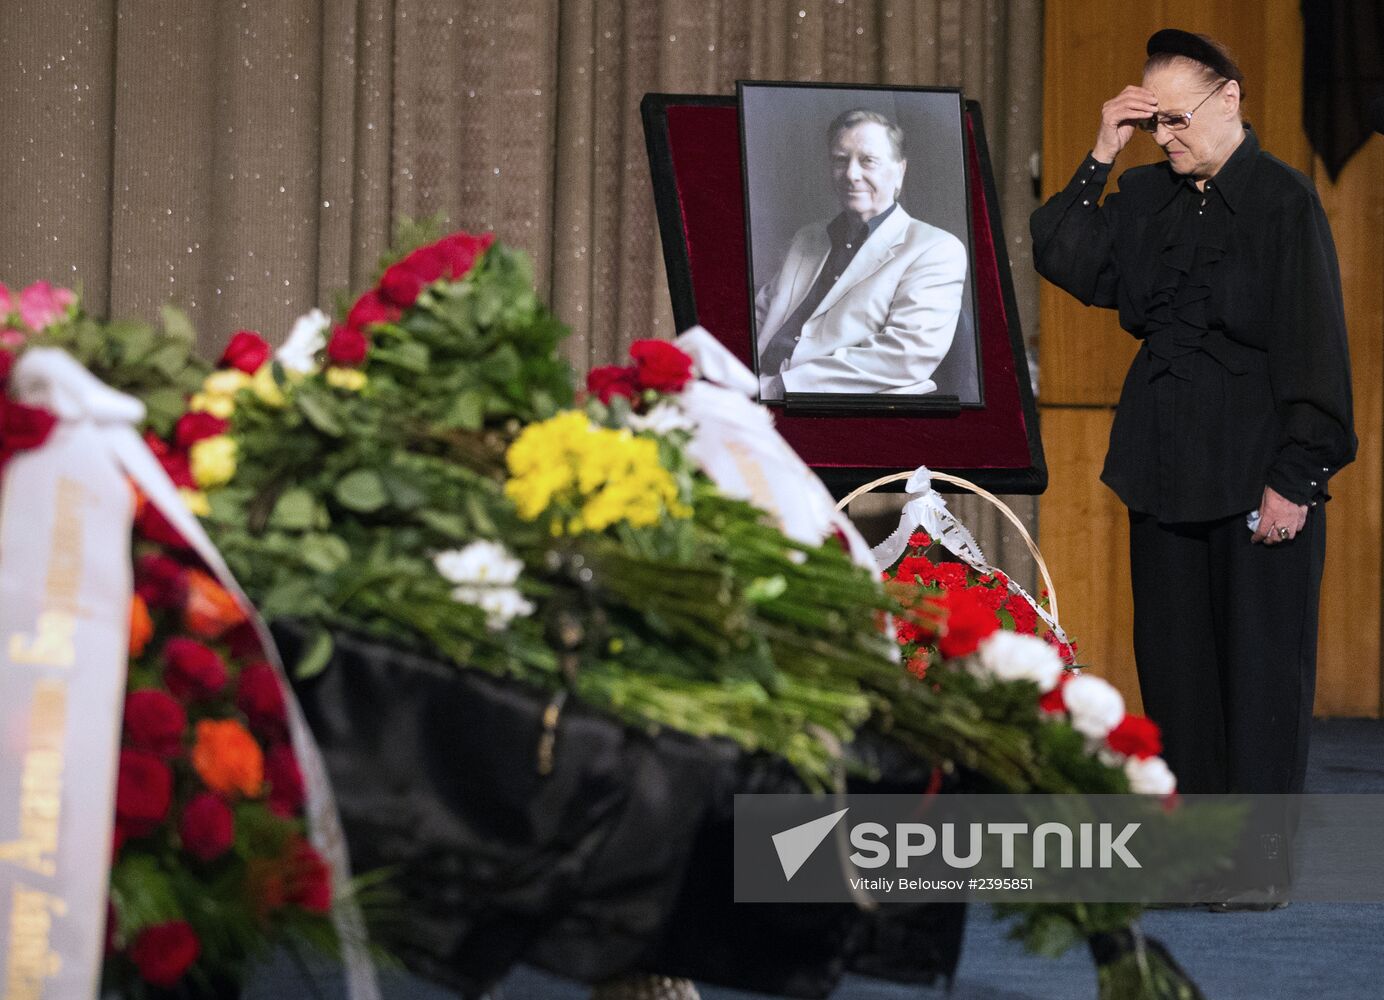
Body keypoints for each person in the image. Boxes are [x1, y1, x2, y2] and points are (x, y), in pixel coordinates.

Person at [1031, 29, 1356, 798]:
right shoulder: (1148, 198)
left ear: (1229, 99)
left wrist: (1296, 480)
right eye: (1154, 123)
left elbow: (1315, 347)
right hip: (1164, 470)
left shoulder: (1284, 201)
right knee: (1175, 675)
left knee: (1261, 677)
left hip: (1257, 475)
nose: (1165, 137)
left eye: (1176, 119)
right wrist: (1104, 149)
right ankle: (1195, 843)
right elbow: (1062, 253)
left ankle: (1259, 853)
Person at [756, 108, 968, 399]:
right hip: (755, 389)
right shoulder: (808, 237)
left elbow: (904, 356)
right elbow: (760, 316)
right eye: (840, 160)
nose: (851, 174)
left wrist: (779, 387)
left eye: (868, 161)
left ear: (900, 171)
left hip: (834, 405)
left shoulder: (936, 249)